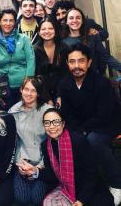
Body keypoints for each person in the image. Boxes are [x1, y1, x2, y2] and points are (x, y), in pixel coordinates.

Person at [59, 43, 121, 205]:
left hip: (106, 124)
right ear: (67, 63)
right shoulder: (65, 84)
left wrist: (82, 131)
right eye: (72, 62)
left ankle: (116, 183)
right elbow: (66, 113)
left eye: (81, 61)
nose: (77, 66)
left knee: (93, 140)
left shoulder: (101, 83)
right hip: (81, 126)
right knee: (67, 138)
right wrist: (74, 132)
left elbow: (104, 115)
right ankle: (83, 185)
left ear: (89, 62)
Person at [22, 108, 115, 206]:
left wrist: (81, 200)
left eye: (56, 122)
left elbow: (91, 174)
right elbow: (52, 175)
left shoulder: (78, 141)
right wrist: (35, 171)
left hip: (88, 189)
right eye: (47, 123)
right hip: (65, 188)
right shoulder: (45, 145)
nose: (52, 126)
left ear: (63, 124)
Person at [8, 76, 52, 206]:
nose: (29, 93)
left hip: (41, 164)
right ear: (21, 90)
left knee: (37, 198)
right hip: (22, 162)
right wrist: (19, 164)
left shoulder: (47, 112)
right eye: (26, 89)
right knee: (22, 198)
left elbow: (52, 144)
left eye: (33, 90)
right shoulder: (13, 112)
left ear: (38, 93)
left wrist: (38, 167)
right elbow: (13, 143)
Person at [0, 9, 35, 109]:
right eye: (5, 20)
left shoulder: (23, 39)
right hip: (4, 86)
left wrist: (28, 82)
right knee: (9, 117)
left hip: (23, 85)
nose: (8, 23)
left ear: (15, 22)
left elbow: (31, 61)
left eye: (11, 20)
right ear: (0, 21)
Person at [62, 8, 121, 73]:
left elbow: (106, 57)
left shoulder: (92, 37)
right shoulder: (63, 42)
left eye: (78, 18)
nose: (75, 20)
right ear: (66, 22)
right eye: (71, 18)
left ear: (82, 21)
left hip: (93, 77)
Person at [34, 16, 69, 103]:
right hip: (42, 94)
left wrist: (60, 96)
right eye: (43, 29)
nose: (47, 31)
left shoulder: (64, 48)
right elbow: (36, 77)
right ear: (38, 32)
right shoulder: (34, 50)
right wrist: (47, 99)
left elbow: (66, 74)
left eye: (50, 28)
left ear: (55, 30)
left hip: (63, 92)